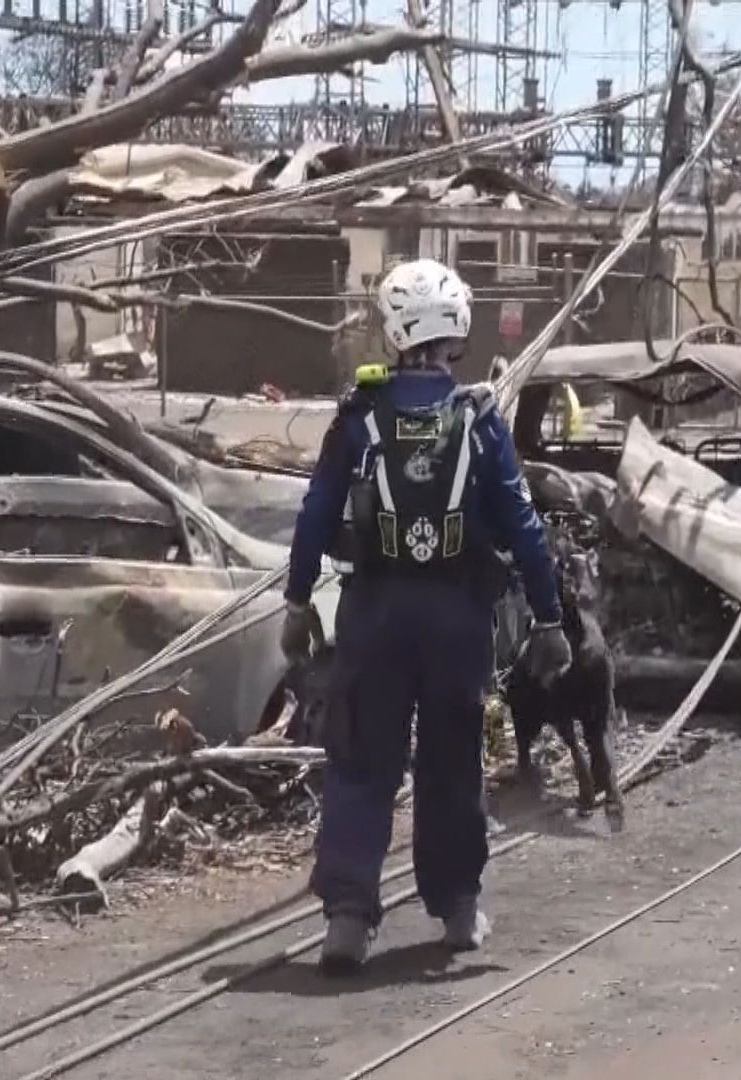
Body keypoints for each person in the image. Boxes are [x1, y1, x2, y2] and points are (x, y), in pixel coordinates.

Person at [279, 257, 574, 975]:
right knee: (451, 764)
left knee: (360, 760)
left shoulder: (357, 418)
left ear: (392, 331)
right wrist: (550, 618)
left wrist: (296, 601)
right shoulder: (478, 419)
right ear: (458, 328)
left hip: (373, 613)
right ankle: (459, 910)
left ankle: (347, 920)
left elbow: (317, 513)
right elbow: (523, 524)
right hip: (457, 620)